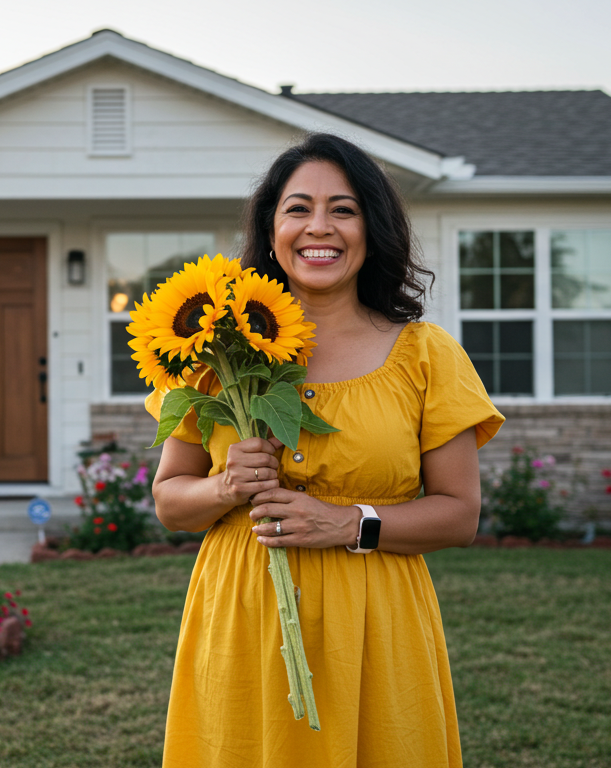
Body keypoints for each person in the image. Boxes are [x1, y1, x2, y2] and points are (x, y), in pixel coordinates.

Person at [149, 133, 504, 767]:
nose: (321, 227)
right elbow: (171, 503)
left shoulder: (426, 354)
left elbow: (459, 514)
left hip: (374, 625)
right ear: (271, 228)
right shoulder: (212, 351)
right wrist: (226, 487)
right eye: (298, 208)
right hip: (243, 617)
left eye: (343, 209)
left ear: (373, 227)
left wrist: (349, 523)